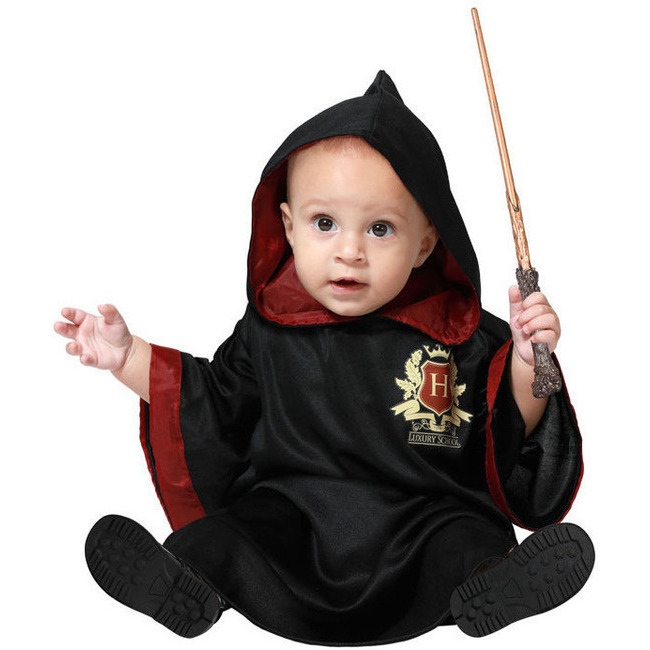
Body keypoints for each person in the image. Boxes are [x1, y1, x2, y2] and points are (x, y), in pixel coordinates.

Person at [54, 70, 594, 643]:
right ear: (289, 228)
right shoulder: (272, 325)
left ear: (426, 243)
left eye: (380, 228)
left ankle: (490, 586)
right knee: (225, 537)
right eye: (325, 223)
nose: (350, 251)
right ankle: (189, 583)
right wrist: (128, 357)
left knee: (465, 540)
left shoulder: (459, 333)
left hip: (423, 517)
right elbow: (213, 402)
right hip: (292, 517)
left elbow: (505, 428)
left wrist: (529, 362)